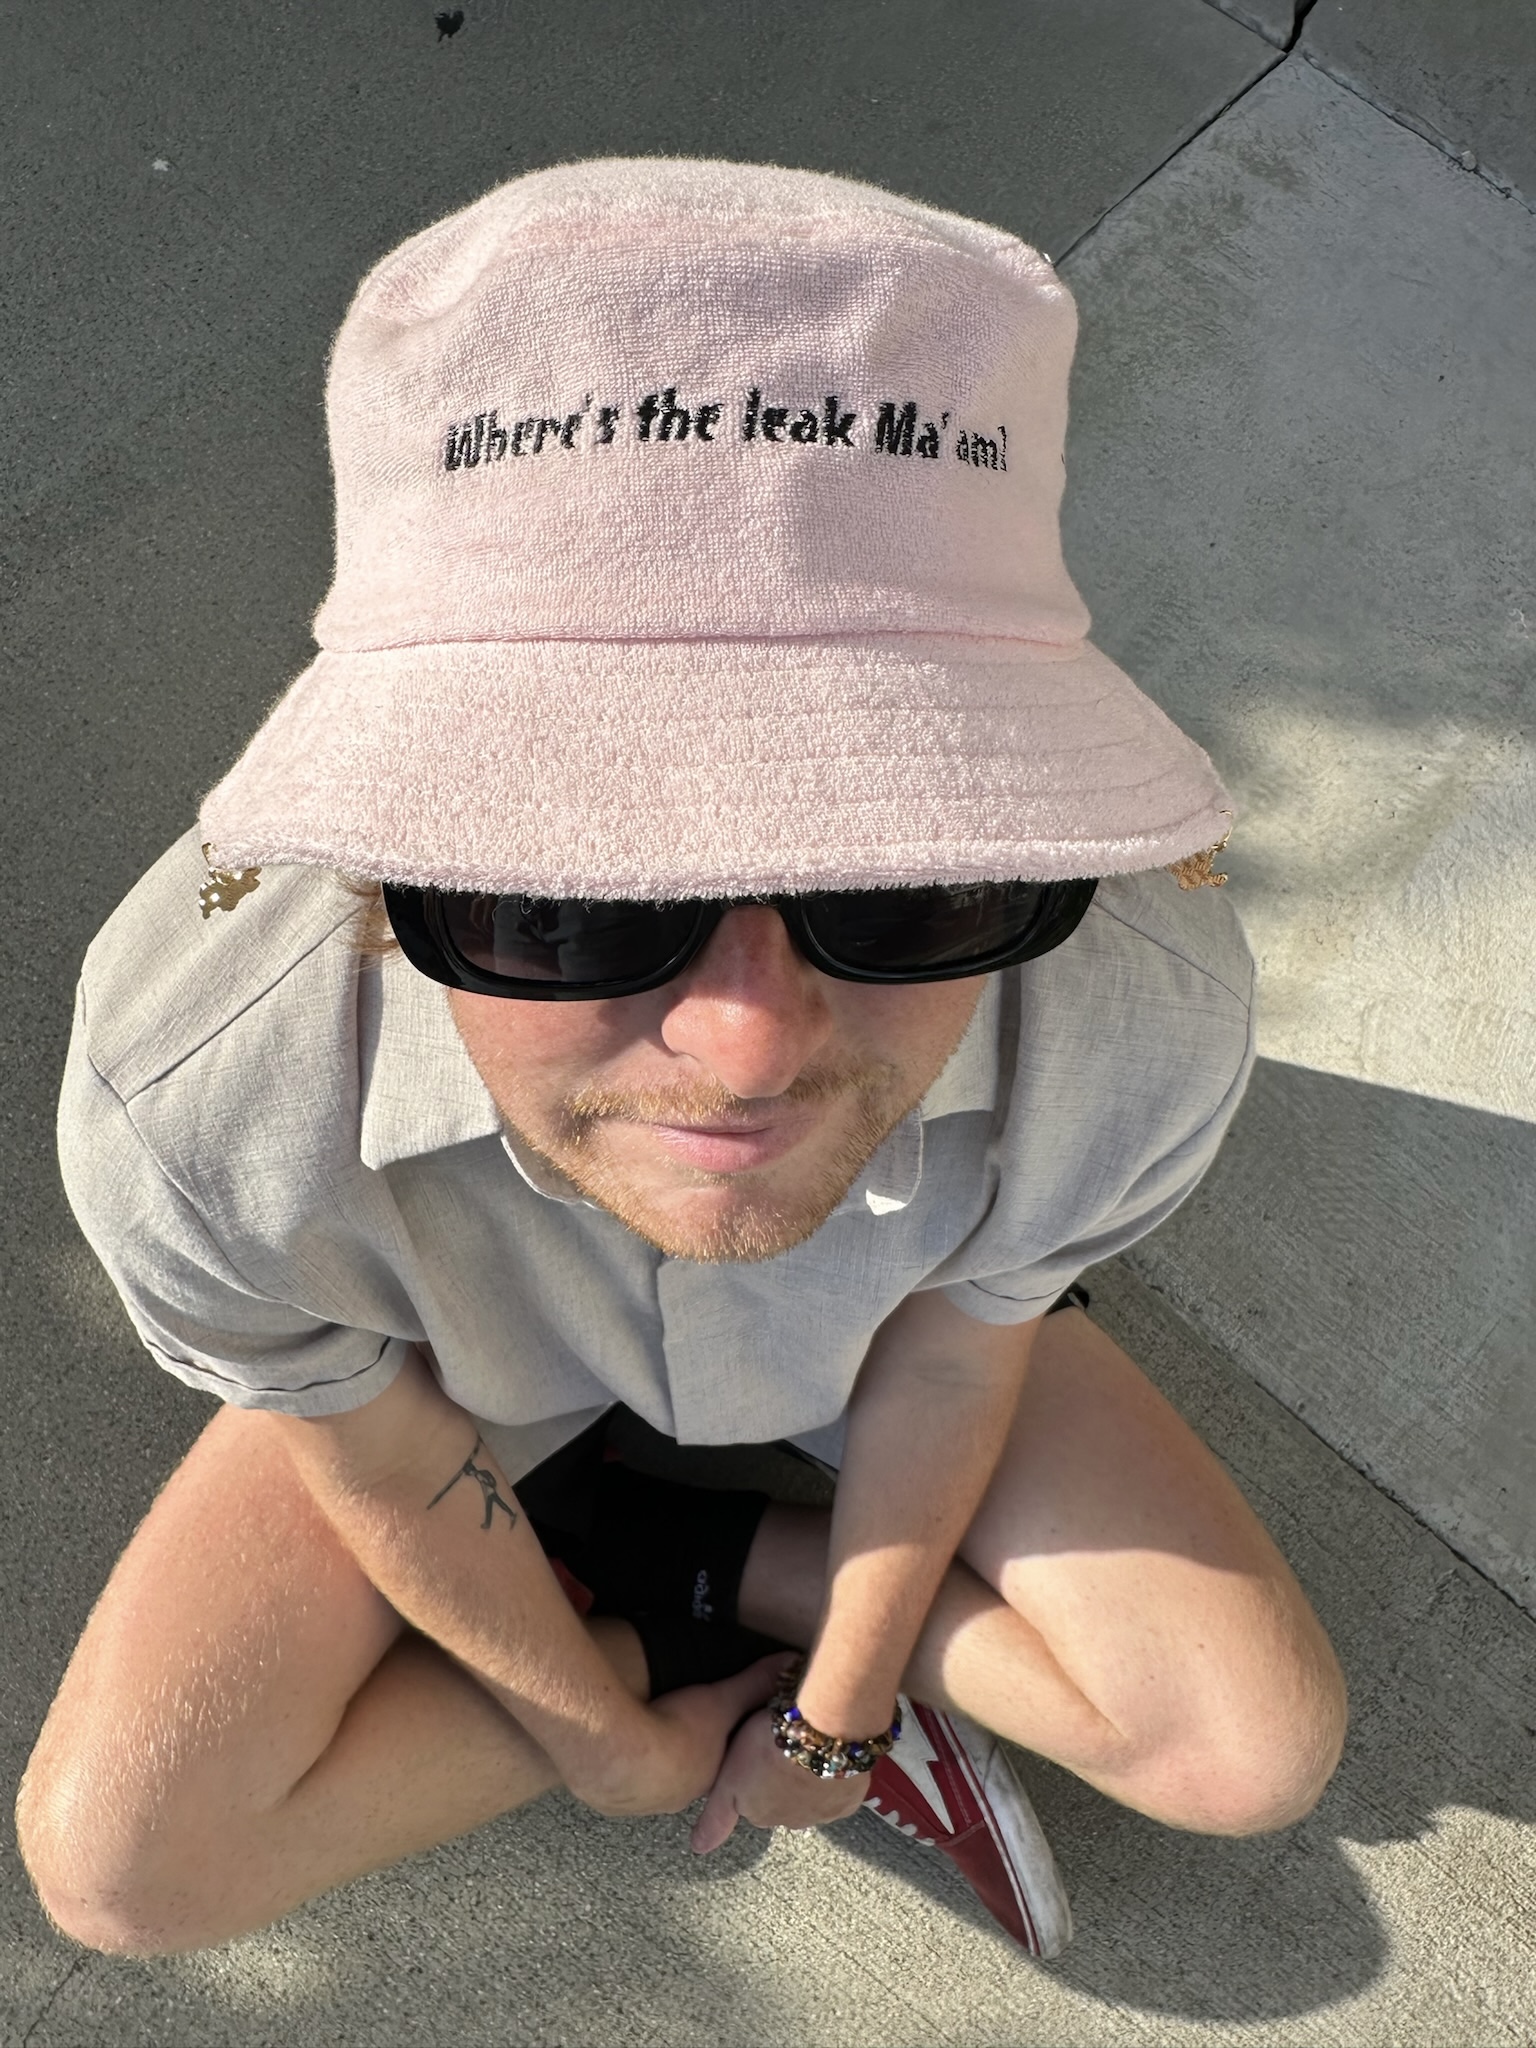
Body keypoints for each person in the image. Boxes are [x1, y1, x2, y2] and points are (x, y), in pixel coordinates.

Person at [17, 158, 1347, 1963]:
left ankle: (677, 1554)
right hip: (451, 1382)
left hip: (858, 1335)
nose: (745, 1046)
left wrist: (836, 1714)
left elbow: (957, 1351)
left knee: (1250, 1749)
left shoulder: (1138, 1008)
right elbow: (380, 1451)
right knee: (124, 1873)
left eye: (909, 881)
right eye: (567, 902)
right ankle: (661, 1561)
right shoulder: (201, 1105)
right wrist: (612, 1743)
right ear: (376, 870)